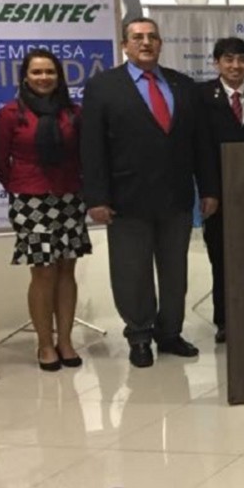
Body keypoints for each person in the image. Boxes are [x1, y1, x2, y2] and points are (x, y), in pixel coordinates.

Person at [80, 19, 218, 368]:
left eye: (152, 37)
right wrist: (96, 197)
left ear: (160, 43)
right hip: (126, 199)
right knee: (132, 272)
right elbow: (92, 146)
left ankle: (170, 333)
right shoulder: (103, 86)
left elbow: (201, 143)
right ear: (124, 45)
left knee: (175, 272)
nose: (146, 43)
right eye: (138, 37)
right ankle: (139, 335)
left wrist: (209, 188)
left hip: (176, 197)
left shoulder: (183, 85)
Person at [0, 50, 92, 371]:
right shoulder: (11, 113)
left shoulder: (73, 113)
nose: (44, 78)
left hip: (69, 197)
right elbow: (0, 160)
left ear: (59, 77)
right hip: (31, 200)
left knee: (66, 270)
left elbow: (83, 155)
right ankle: (45, 344)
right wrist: (21, 186)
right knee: (43, 272)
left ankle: (65, 340)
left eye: (50, 72)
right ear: (25, 77)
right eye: (36, 72)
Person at [199, 37, 244, 344]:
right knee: (222, 258)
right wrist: (208, 191)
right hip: (219, 194)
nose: (235, 66)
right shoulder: (202, 96)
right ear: (217, 63)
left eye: (242, 60)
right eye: (228, 59)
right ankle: (225, 320)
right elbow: (200, 149)